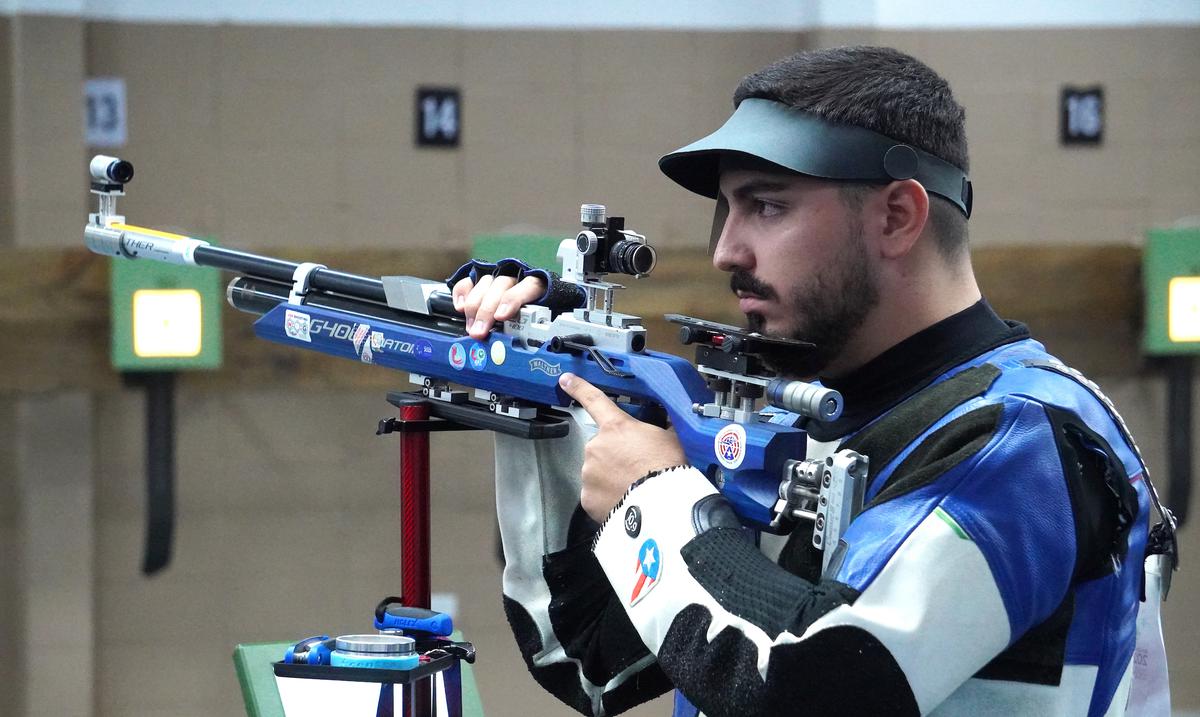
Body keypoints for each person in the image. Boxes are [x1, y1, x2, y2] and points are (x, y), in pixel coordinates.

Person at [450, 46, 1173, 716]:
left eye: (767, 205)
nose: (726, 249)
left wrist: (654, 496)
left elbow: (814, 682)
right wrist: (539, 391)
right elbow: (590, 660)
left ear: (897, 215)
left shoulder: (1023, 438)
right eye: (726, 209)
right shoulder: (806, 423)